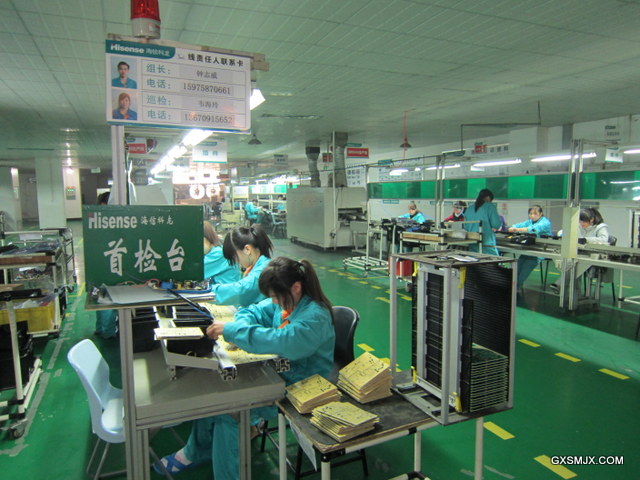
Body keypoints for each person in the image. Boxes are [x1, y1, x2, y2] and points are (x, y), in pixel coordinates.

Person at [154, 257, 335, 479]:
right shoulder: (288, 301)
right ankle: (195, 452)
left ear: (296, 287)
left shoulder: (315, 317)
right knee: (212, 394)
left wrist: (234, 332)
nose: (274, 302)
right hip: (278, 372)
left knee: (229, 410)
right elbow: (254, 310)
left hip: (301, 386)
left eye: (276, 296)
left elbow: (283, 341)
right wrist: (239, 327)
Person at [550, 207, 611, 293]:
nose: (581, 224)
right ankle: (572, 293)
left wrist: (586, 240)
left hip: (594, 254)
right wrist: (563, 234)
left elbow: (604, 239)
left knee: (575, 266)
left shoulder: (601, 227)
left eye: (584, 222)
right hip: (580, 252)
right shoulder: (579, 225)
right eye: (580, 221)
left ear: (591, 220)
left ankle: (561, 285)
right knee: (570, 262)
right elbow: (564, 230)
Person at [210, 225, 273, 306]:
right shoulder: (255, 267)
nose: (236, 261)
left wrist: (206, 291)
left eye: (234, 256)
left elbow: (241, 289)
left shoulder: (263, 270)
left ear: (247, 249)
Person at [507, 205, 553, 290]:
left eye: (535, 214)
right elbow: (519, 225)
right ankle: (512, 285)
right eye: (531, 214)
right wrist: (512, 227)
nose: (532, 216)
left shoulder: (545, 222)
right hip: (530, 248)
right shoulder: (530, 221)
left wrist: (517, 230)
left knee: (526, 267)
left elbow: (533, 229)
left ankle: (516, 287)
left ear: (541, 214)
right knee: (518, 265)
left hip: (541, 250)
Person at [463, 189, 502, 256]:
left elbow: (466, 226)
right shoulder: (490, 206)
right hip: (486, 243)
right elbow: (496, 225)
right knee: (493, 260)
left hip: (473, 242)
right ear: (488, 197)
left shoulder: (470, 208)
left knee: (474, 260)